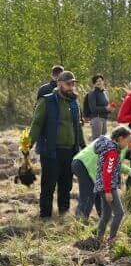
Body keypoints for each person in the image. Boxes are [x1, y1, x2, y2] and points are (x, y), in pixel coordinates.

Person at [27, 71, 86, 218]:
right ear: (59, 84)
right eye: (68, 84)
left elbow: (78, 127)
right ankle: (45, 216)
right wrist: (27, 145)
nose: (71, 86)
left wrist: (83, 147)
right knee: (48, 185)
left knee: (66, 185)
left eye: (73, 84)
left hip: (70, 151)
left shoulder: (74, 102)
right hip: (50, 151)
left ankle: (63, 213)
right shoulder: (46, 101)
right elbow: (37, 124)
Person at [72, 129, 131, 220]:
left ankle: (105, 218)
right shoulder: (118, 147)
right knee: (88, 196)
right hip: (86, 166)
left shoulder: (112, 140)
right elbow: (112, 167)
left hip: (80, 162)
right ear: (124, 139)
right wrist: (129, 171)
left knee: (98, 193)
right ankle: (80, 222)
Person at [93, 127, 131, 249]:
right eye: (126, 141)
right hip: (108, 186)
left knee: (106, 215)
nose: (127, 144)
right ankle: (112, 240)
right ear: (120, 138)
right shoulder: (112, 151)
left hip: (104, 186)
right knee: (119, 213)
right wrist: (108, 191)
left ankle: (98, 240)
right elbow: (107, 172)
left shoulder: (110, 148)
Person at [82, 75, 114, 141]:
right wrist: (106, 108)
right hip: (97, 119)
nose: (98, 82)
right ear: (94, 84)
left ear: (103, 81)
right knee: (96, 142)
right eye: (96, 81)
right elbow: (93, 109)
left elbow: (106, 106)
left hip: (104, 119)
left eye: (100, 81)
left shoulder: (105, 93)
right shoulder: (92, 93)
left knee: (104, 141)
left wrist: (110, 109)